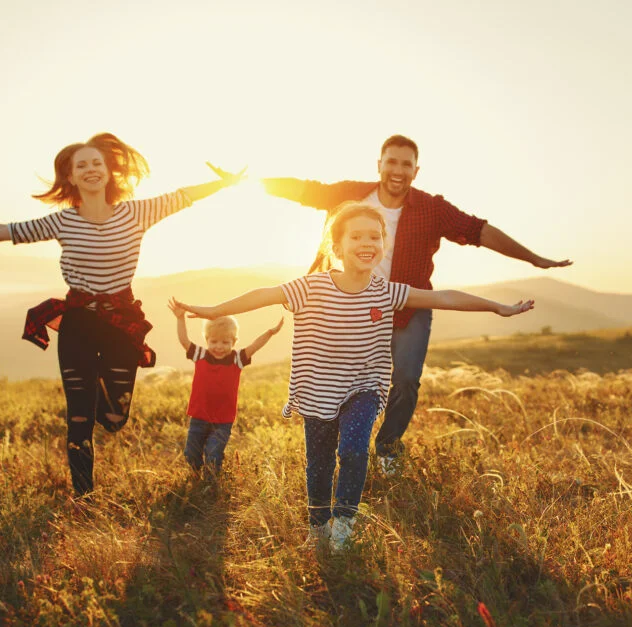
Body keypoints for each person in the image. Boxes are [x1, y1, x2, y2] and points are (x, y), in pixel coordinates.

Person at [169, 201, 533, 552]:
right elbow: (263, 295)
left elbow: (446, 298)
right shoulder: (310, 287)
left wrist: (496, 306)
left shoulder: (387, 292)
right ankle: (318, 527)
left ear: (382, 246)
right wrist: (213, 310)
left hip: (364, 388)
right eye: (357, 236)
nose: (367, 243)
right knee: (320, 462)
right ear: (337, 245)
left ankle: (344, 525)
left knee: (354, 449)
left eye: (375, 237)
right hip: (317, 391)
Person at [0, 132, 243, 498]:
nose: (90, 169)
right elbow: (3, 230)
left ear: (108, 171)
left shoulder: (137, 212)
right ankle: (83, 495)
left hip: (121, 323)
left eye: (96, 163)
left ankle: (98, 404)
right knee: (78, 417)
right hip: (78, 322)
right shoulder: (62, 222)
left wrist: (225, 182)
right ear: (71, 177)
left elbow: (183, 196)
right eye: (81, 166)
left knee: (114, 417)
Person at [237, 134, 569, 475]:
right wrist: (244, 180)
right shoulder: (351, 194)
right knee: (340, 378)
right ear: (379, 165)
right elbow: (304, 190)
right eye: (391, 162)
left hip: (408, 305)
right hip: (349, 305)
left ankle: (388, 448)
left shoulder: (431, 208)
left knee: (407, 379)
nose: (398, 170)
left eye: (406, 164)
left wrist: (533, 259)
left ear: (416, 170)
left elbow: (478, 231)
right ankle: (339, 444)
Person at [171, 310, 283, 480]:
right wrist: (180, 318)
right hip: (199, 417)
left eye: (225, 342)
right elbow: (184, 341)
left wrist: (270, 333)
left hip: (223, 420)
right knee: (191, 453)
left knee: (213, 454)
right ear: (206, 340)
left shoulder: (237, 358)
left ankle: (210, 485)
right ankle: (195, 477)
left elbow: (255, 345)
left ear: (234, 342)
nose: (219, 346)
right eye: (213, 341)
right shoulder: (201, 355)